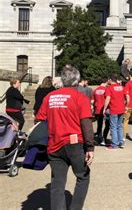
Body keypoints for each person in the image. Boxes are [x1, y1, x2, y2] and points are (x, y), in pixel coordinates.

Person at [35, 65, 94, 210]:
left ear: (62, 80)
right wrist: (90, 147)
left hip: (54, 144)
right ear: (77, 80)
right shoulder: (80, 97)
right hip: (74, 144)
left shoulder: (50, 96)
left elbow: (39, 120)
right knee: (83, 176)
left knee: (57, 183)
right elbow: (86, 123)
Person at [103, 74, 126, 150]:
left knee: (113, 127)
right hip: (121, 109)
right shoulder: (121, 87)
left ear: (110, 79)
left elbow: (108, 98)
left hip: (114, 109)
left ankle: (114, 145)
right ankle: (121, 142)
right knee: (119, 126)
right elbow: (127, 97)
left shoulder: (109, 88)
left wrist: (104, 108)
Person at [92, 78, 108, 145]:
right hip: (105, 109)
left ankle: (99, 138)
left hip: (97, 109)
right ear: (106, 82)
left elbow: (92, 101)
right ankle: (104, 139)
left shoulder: (95, 90)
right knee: (107, 124)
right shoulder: (106, 89)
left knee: (99, 124)